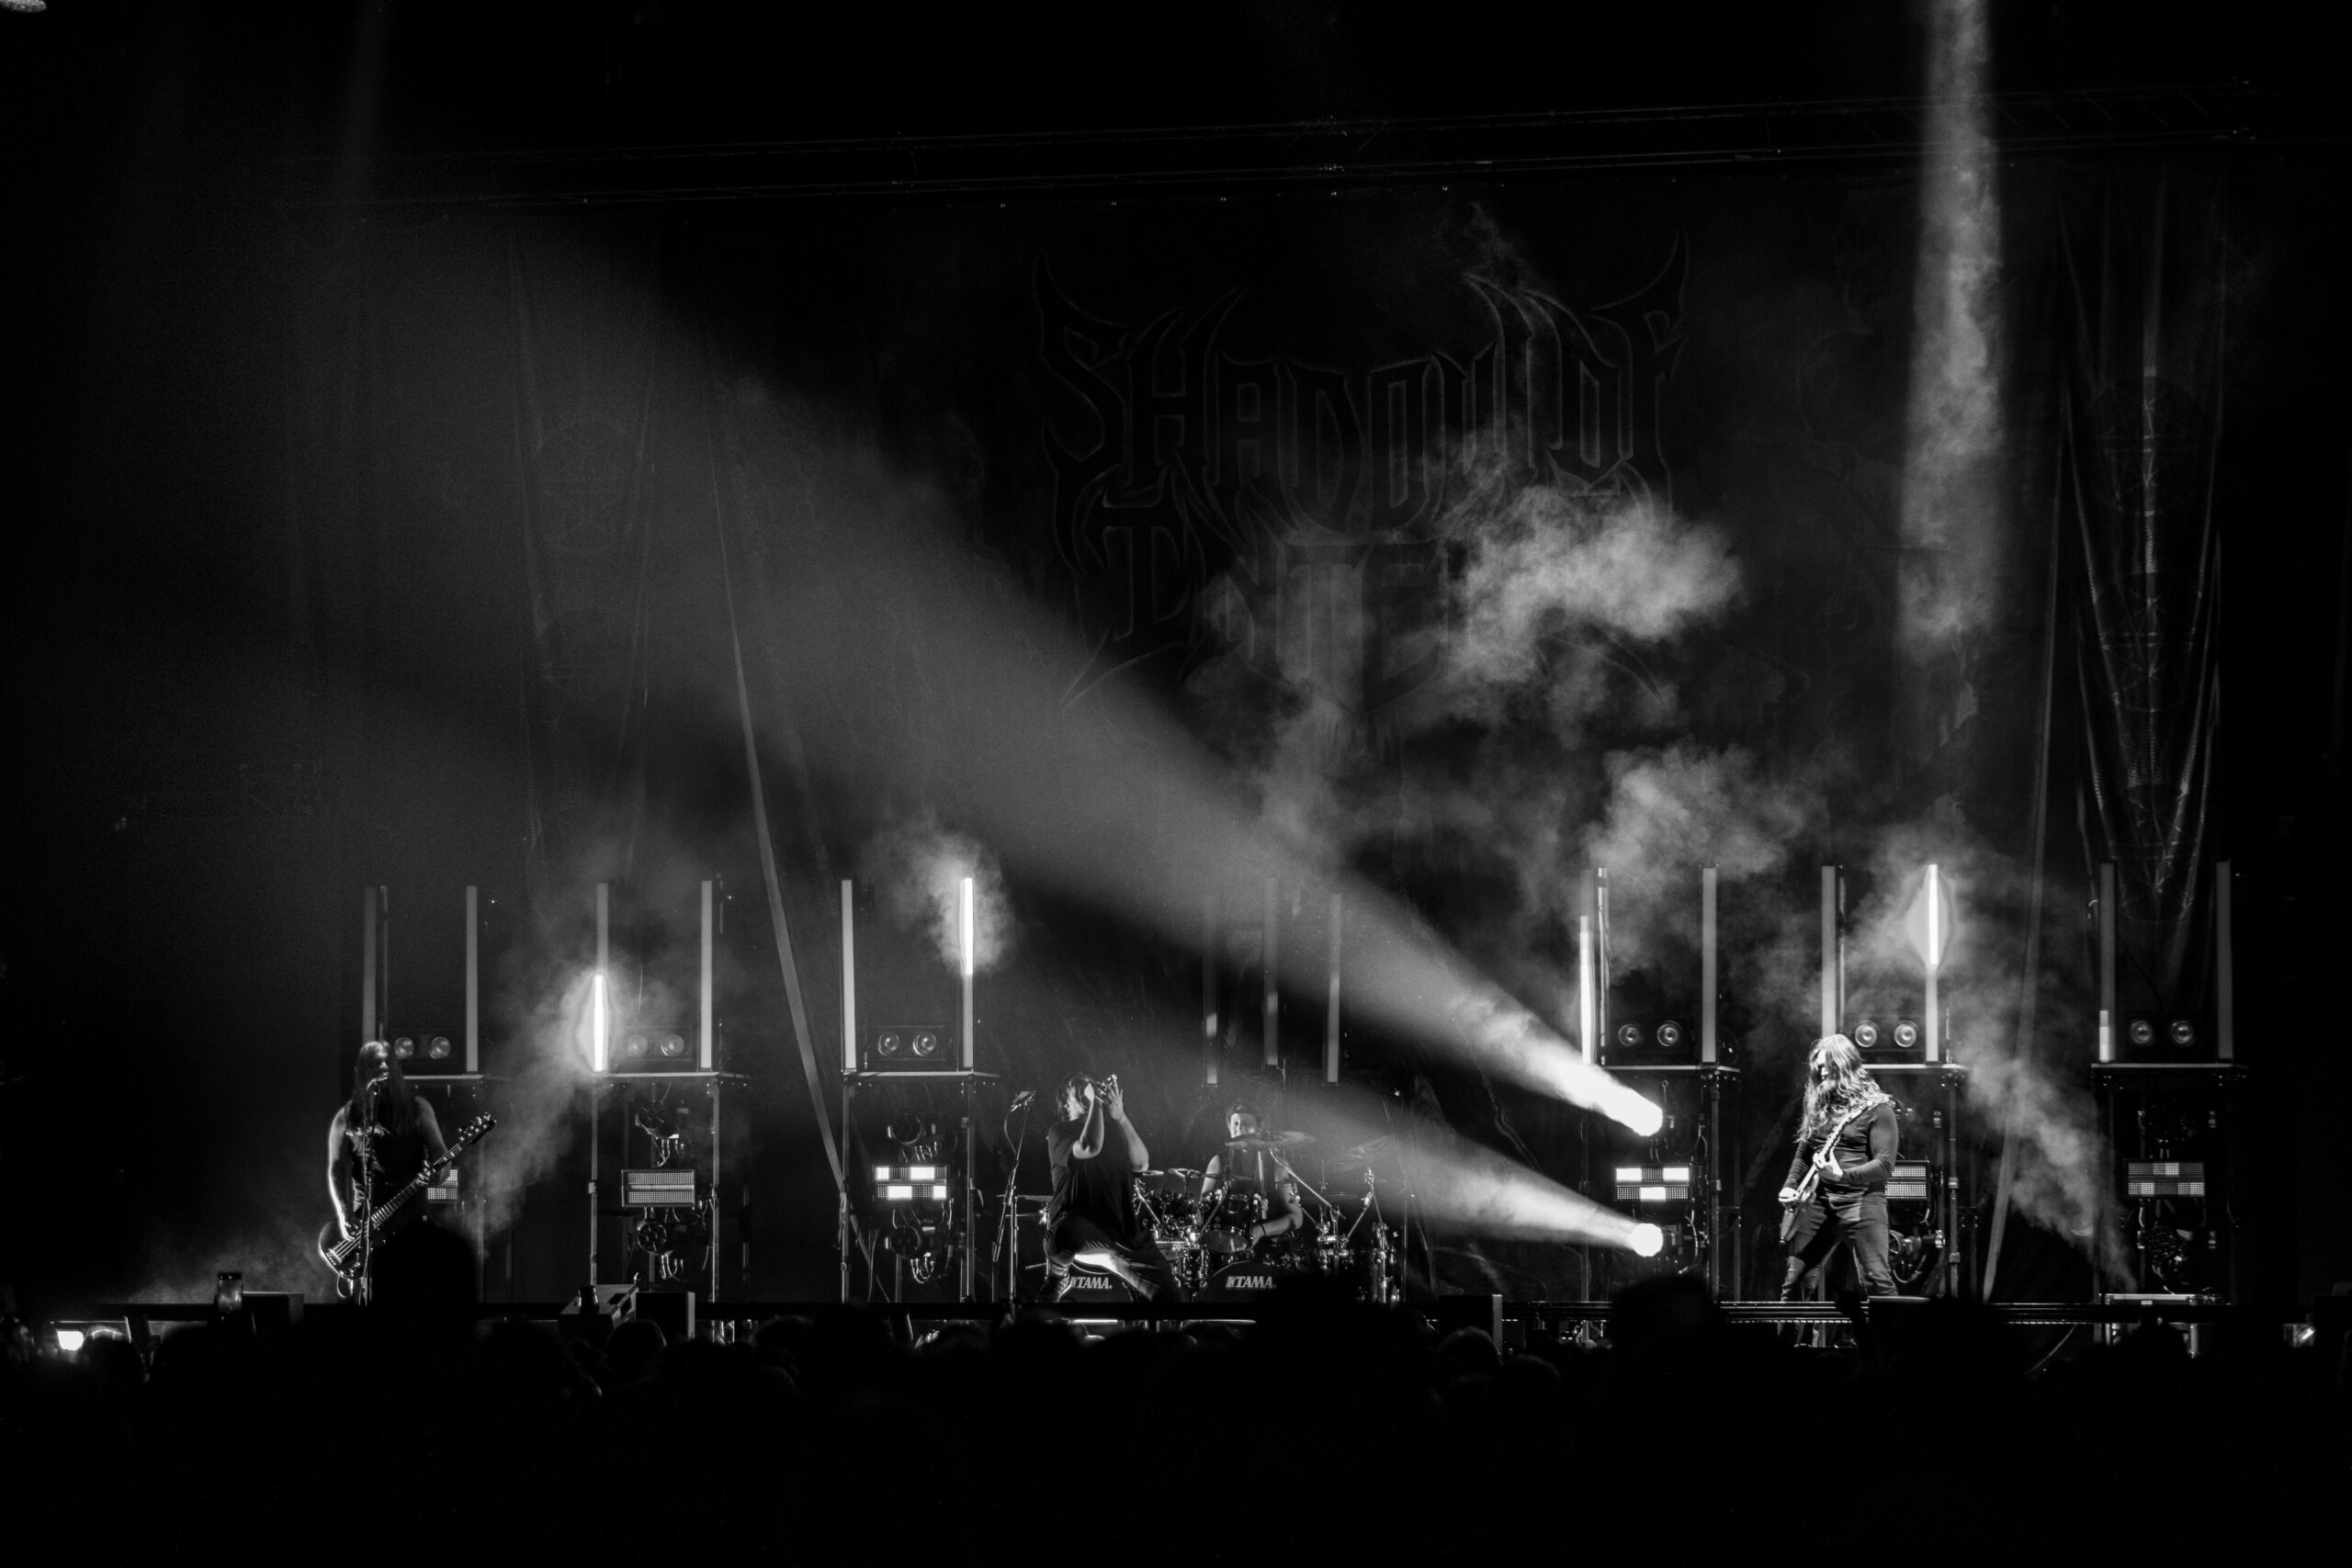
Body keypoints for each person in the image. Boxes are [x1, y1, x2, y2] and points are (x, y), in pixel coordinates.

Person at [1777, 1033, 1898, 1299]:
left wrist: (1842, 1175)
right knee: (1795, 1282)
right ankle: (1791, 1328)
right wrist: (1790, 1186)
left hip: (1862, 1202)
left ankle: (1890, 1328)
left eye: (1825, 1066)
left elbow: (1884, 1166)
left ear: (1844, 1065)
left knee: (1877, 1281)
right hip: (1819, 1203)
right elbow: (1804, 1153)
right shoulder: (1819, 1108)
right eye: (1817, 1067)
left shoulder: (1878, 1110)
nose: (1820, 1073)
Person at [1044, 1072, 1182, 1301]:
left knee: (1172, 1300)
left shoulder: (1113, 1131)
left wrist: (1120, 1117)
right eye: (1078, 1085)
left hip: (1123, 1233)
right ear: (1066, 1101)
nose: (1086, 1087)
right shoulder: (1060, 1132)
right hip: (1084, 1230)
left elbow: (1141, 1163)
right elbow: (1089, 1147)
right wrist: (1097, 1102)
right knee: (1063, 1236)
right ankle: (1058, 1276)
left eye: (1089, 1084)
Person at [324, 1039, 448, 1264]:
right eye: (376, 1063)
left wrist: (438, 1172)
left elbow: (440, 1152)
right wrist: (344, 1214)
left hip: (411, 1219)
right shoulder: (347, 1117)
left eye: (388, 1062)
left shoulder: (418, 1108)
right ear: (364, 1070)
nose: (384, 1067)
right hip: (368, 1224)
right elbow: (336, 1169)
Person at [1199, 1101, 1307, 1254]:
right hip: (1227, 1247)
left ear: (1260, 1127)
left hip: (1269, 1248)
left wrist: (1260, 1230)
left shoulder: (1278, 1164)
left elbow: (1296, 1217)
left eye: (1246, 1123)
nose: (1239, 1128)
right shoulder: (1219, 1162)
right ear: (1229, 1127)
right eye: (1235, 1123)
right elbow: (1203, 1209)